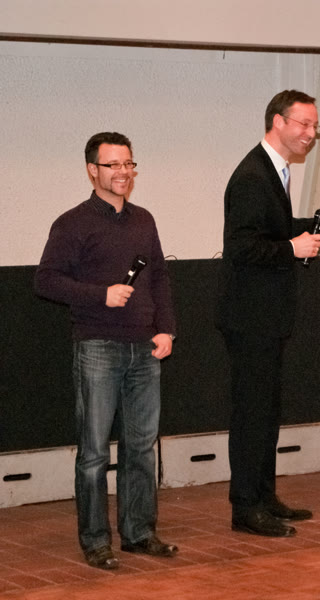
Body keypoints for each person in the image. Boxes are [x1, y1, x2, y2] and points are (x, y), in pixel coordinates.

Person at [35, 132, 178, 570]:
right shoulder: (72, 223)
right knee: (95, 452)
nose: (123, 172)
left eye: (128, 164)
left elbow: (159, 278)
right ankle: (96, 541)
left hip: (145, 349)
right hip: (97, 346)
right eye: (113, 165)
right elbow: (45, 280)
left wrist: (166, 330)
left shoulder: (144, 220)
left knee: (141, 447)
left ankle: (139, 533)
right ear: (92, 170)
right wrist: (101, 294)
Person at [216, 90, 320, 537]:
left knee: (266, 411)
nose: (311, 134)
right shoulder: (253, 176)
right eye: (304, 124)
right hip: (251, 317)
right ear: (277, 121)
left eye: (315, 127)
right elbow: (241, 247)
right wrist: (292, 248)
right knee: (252, 413)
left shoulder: (273, 169)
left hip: (266, 317)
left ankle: (264, 496)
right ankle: (245, 507)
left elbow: (271, 230)